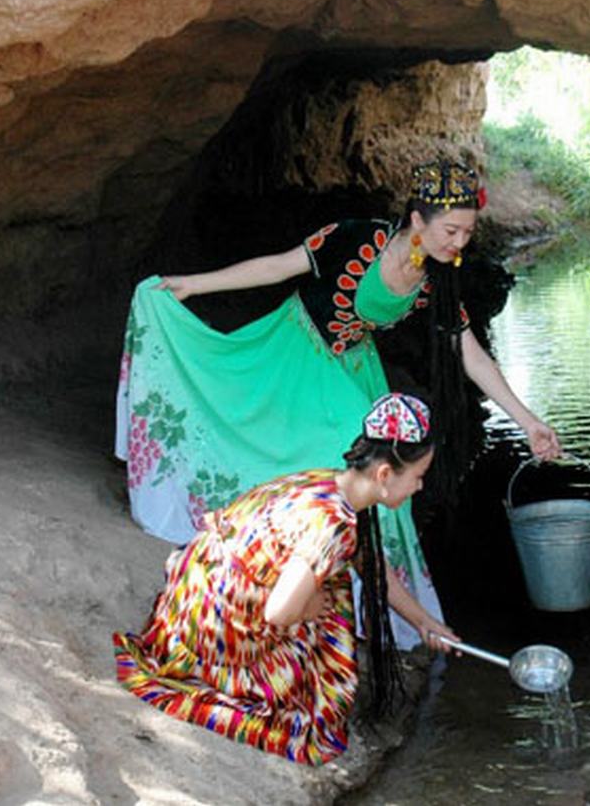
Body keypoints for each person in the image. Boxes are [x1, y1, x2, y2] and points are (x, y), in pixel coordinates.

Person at [115, 159, 560, 649]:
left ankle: (360, 600)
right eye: (451, 230)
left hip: (352, 370)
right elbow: (278, 266)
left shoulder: (436, 280)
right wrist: (194, 284)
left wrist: (527, 421)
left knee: (378, 474)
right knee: (316, 454)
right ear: (417, 221)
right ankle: (291, 572)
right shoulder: (353, 239)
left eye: (467, 233)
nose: (458, 243)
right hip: (296, 352)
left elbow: (468, 351)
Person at [112, 393, 459, 766]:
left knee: (329, 581)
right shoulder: (333, 525)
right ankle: (253, 677)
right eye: (418, 477)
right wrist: (310, 606)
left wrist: (425, 623)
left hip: (196, 592)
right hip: (215, 628)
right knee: (331, 609)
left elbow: (372, 568)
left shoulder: (330, 483)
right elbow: (279, 611)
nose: (419, 488)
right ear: (385, 475)